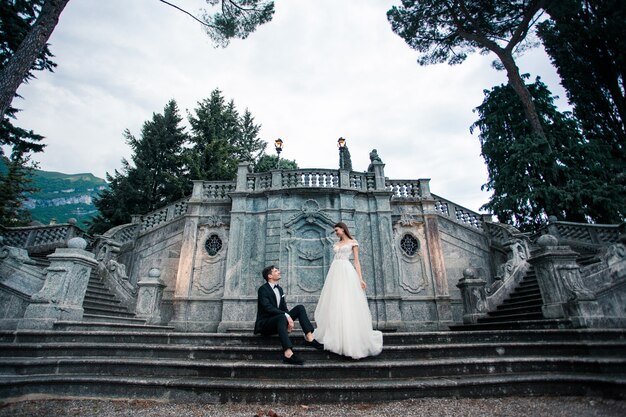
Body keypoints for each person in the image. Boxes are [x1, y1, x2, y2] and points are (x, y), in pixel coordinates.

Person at [314, 222, 383, 359]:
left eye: (337, 230)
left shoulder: (353, 242)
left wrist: (360, 279)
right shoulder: (336, 244)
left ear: (343, 229)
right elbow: (335, 258)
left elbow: (356, 261)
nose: (336, 232)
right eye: (335, 231)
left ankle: (350, 339)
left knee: (348, 301)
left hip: (346, 270)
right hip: (335, 272)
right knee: (335, 302)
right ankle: (336, 336)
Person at [254, 265, 324, 365]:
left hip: (280, 321)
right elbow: (268, 308)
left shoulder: (280, 289)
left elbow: (284, 308)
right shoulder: (263, 289)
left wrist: (288, 316)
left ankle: (309, 338)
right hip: (266, 324)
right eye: (276, 271)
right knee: (282, 316)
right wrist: (287, 317)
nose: (279, 272)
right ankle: (288, 353)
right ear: (269, 276)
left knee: (299, 308)